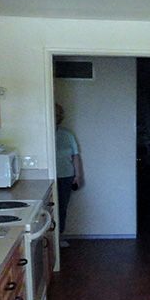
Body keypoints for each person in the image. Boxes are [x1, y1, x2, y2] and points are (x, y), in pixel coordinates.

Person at [55, 104, 84, 247]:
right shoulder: (42, 135)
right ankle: (49, 238)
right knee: (48, 210)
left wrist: (78, 176)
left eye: (57, 115)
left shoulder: (67, 135)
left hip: (65, 176)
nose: (54, 117)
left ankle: (58, 237)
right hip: (48, 178)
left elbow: (75, 156)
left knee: (62, 207)